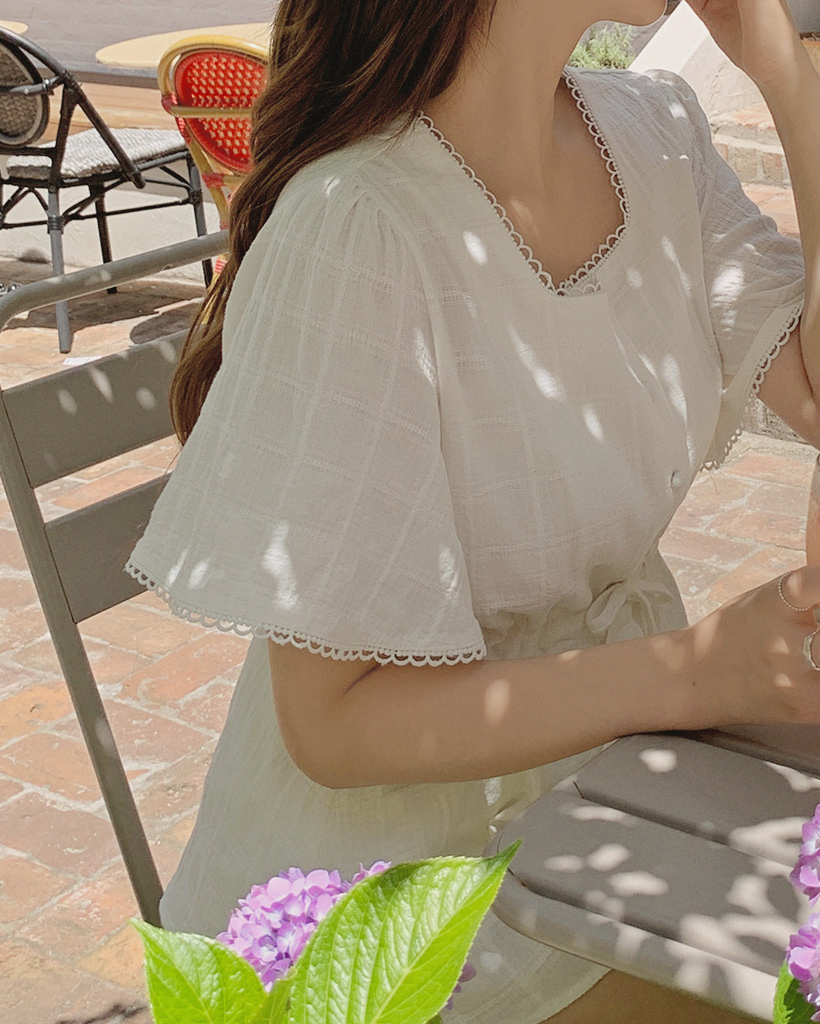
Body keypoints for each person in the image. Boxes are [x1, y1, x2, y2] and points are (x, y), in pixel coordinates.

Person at [126, 0, 820, 1020]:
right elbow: (332, 725)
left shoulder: (655, 137)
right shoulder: (359, 220)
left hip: (611, 788)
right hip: (393, 892)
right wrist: (698, 670)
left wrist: (792, 84)